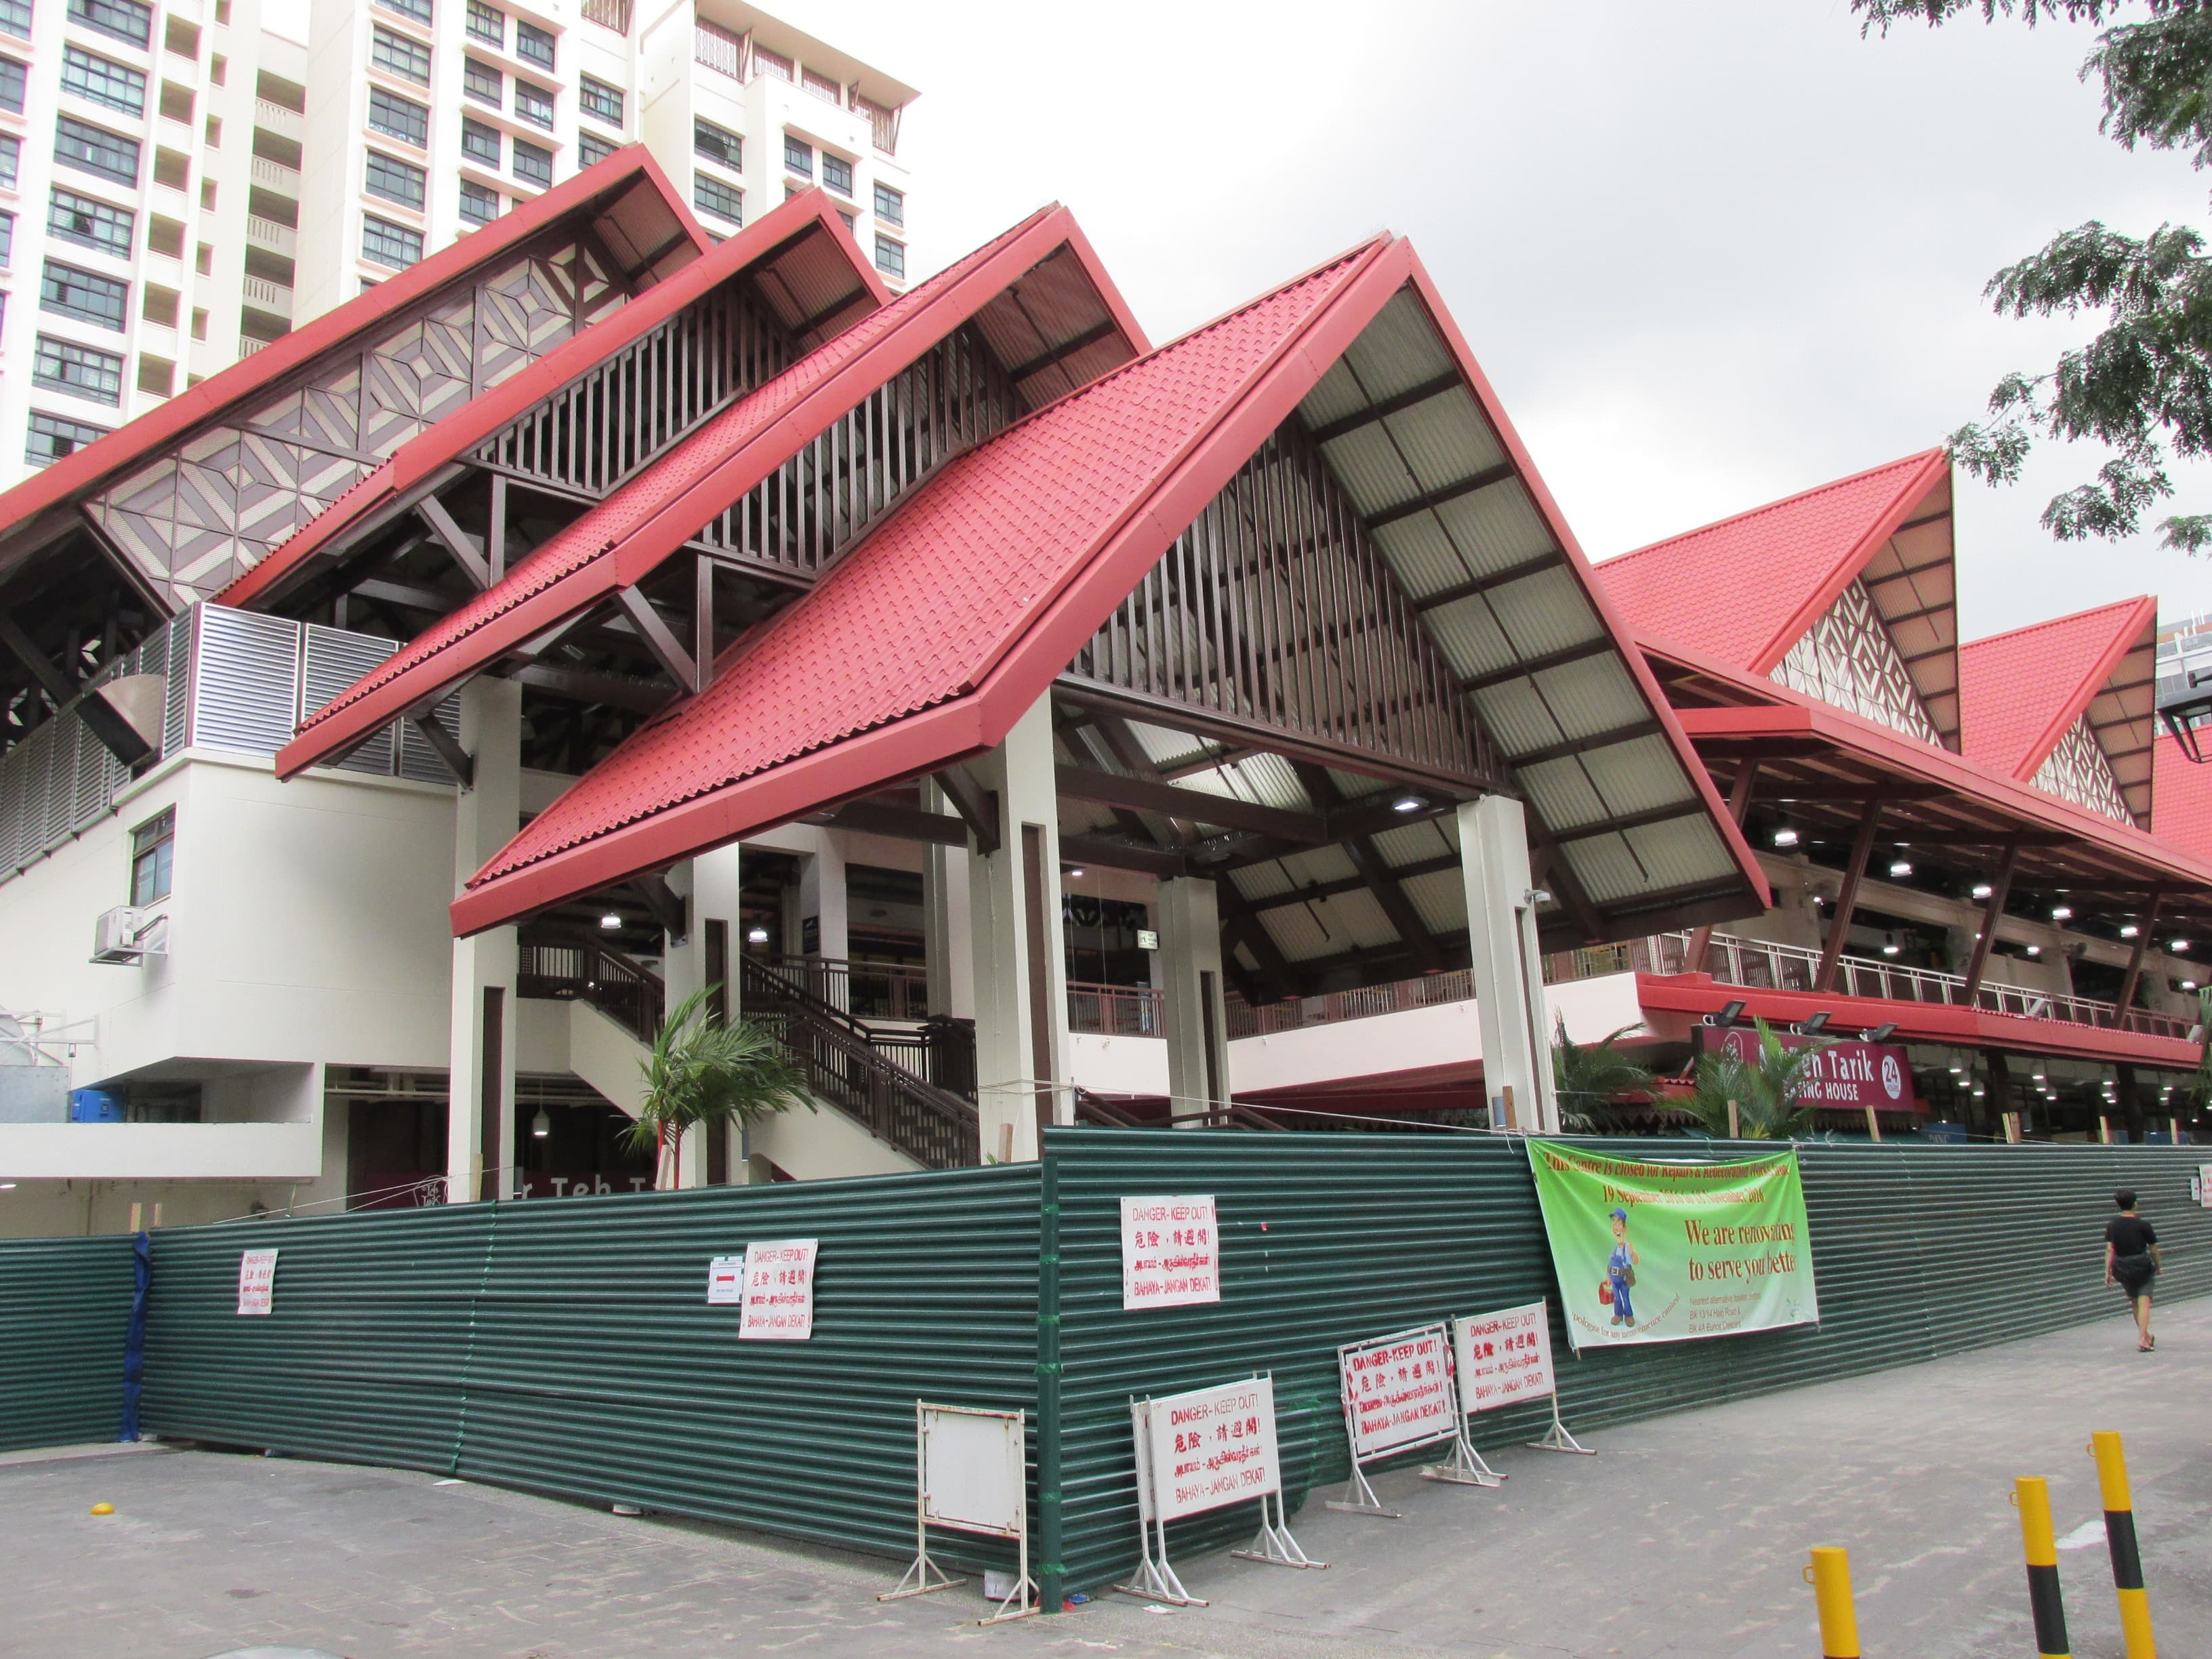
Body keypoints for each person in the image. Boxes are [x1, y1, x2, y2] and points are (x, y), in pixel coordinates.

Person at [2103, 1190, 2161, 1352]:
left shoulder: (2112, 1226)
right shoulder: (2144, 1225)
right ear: (2135, 1204)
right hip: (2142, 1267)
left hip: (2122, 1268)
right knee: (2144, 1302)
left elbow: (2110, 1250)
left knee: (2135, 1302)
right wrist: (2158, 1267)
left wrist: (2107, 1272)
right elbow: (2154, 1250)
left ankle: (2146, 1336)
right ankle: (2143, 1339)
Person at [1605, 1206, 1639, 1328]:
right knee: (1617, 1299)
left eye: (1619, 1222)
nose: (1616, 1226)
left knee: (1625, 1297)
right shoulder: (1614, 1249)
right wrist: (1608, 1277)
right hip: (1614, 1280)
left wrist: (1632, 1253)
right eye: (1614, 1222)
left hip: (1624, 1280)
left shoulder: (1627, 1247)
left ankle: (1629, 1315)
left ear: (1624, 1228)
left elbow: (1635, 1261)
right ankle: (1618, 1315)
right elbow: (1609, 1264)